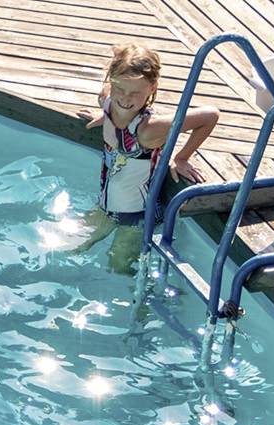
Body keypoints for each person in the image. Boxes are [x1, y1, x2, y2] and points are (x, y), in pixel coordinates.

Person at [83, 43, 218, 261]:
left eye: (135, 93)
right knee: (72, 247)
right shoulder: (108, 102)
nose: (125, 99)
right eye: (120, 89)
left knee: (118, 265)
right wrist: (104, 115)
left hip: (137, 217)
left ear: (152, 88)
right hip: (106, 205)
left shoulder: (148, 130)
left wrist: (181, 158)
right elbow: (107, 94)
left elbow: (210, 116)